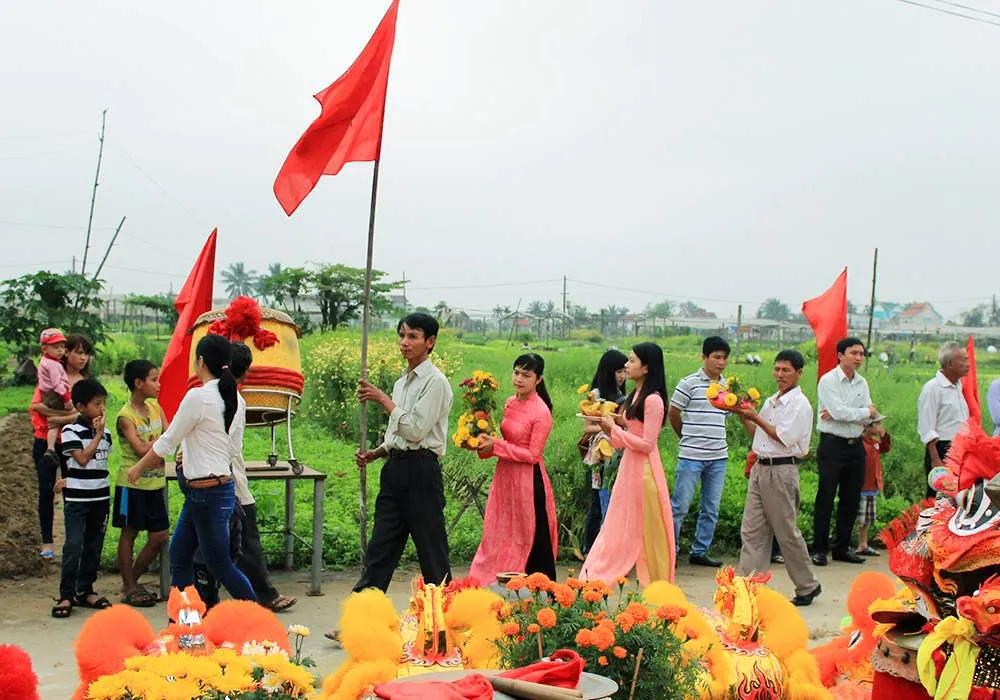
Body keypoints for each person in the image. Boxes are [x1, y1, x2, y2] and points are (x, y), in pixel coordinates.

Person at [127, 334, 256, 601]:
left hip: (207, 494)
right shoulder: (236, 398)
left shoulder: (197, 397)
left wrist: (137, 468)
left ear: (200, 362)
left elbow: (167, 441)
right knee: (180, 555)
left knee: (219, 564)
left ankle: (258, 622)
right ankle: (185, 624)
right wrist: (196, 454)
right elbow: (232, 448)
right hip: (212, 490)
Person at [352, 313, 454, 593]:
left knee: (432, 551)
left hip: (421, 472)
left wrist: (383, 399)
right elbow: (397, 436)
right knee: (380, 548)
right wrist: (377, 452)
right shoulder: (402, 383)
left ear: (430, 342)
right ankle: (362, 615)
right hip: (395, 471)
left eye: (413, 336)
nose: (404, 342)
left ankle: (444, 619)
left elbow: (415, 430)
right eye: (402, 335)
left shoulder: (436, 382)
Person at [581, 342, 675, 586]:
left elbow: (647, 444)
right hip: (630, 467)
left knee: (649, 528)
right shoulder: (634, 395)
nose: (627, 365)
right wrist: (608, 424)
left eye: (632, 361)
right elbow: (626, 433)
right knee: (617, 520)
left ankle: (658, 582)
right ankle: (600, 574)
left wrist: (614, 428)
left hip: (644, 470)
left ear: (646, 368)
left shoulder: (653, 400)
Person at [734, 350, 822, 606]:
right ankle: (748, 586)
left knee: (785, 531)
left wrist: (754, 416)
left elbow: (781, 436)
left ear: (798, 373)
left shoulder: (799, 404)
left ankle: (807, 585)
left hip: (781, 470)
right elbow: (758, 434)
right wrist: (743, 414)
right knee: (751, 530)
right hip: (761, 466)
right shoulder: (772, 401)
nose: (780, 375)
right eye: (777, 369)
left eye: (786, 370)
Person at [470, 353, 557, 585]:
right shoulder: (510, 402)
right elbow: (503, 440)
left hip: (528, 480)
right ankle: (496, 577)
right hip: (505, 475)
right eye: (516, 372)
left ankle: (539, 587)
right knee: (500, 528)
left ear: (538, 380)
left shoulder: (541, 412)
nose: (519, 379)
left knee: (530, 534)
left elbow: (532, 455)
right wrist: (481, 442)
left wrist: (496, 445)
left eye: (526, 375)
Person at [229, 343, 296, 611]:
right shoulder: (233, 400)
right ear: (245, 373)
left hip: (216, 481)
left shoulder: (215, 397)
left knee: (203, 547)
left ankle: (197, 597)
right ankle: (262, 595)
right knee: (244, 544)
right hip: (227, 484)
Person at [811, 337, 876, 566]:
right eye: (854, 353)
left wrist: (857, 413)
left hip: (855, 445)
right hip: (832, 445)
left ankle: (842, 547)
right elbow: (838, 412)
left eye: (861, 354)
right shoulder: (828, 381)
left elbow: (869, 412)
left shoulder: (862, 383)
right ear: (840, 355)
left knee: (850, 498)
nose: (858, 358)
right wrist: (862, 412)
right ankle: (819, 548)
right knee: (826, 496)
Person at [51, 378, 113, 618]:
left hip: (100, 496)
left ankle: (85, 590)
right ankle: (66, 594)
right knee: (73, 545)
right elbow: (82, 459)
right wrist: (97, 435)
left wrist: (99, 434)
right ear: (80, 406)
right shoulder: (70, 431)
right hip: (77, 500)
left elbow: (98, 464)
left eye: (103, 404)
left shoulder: (106, 434)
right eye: (97, 404)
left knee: (93, 544)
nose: (101, 409)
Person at [29, 333, 93, 560]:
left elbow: (88, 414)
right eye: (79, 352)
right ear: (66, 353)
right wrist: (66, 414)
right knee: (46, 490)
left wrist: (58, 419)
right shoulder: (52, 376)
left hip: (74, 444)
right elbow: (37, 406)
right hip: (45, 442)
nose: (83, 357)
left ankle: (73, 542)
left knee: (73, 492)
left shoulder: (86, 384)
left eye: (86, 353)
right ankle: (47, 541)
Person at [669, 336, 731, 567]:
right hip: (691, 456)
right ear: (704, 357)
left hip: (718, 457)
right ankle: (672, 551)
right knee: (680, 506)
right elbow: (673, 413)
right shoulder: (689, 383)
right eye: (716, 357)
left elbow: (727, 414)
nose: (721, 362)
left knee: (711, 508)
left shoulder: (727, 386)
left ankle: (700, 551)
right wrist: (685, 436)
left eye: (724, 358)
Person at [113, 360, 170, 607]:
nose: (158, 385)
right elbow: (139, 449)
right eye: (153, 380)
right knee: (130, 533)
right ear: (138, 383)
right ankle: (130, 586)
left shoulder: (157, 409)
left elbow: (170, 437)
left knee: (159, 535)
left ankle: (131, 583)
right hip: (131, 485)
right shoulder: (125, 417)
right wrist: (158, 448)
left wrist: (155, 448)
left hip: (155, 484)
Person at [581, 349, 628, 554]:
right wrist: (611, 427)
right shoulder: (596, 395)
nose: (622, 376)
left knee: (610, 501)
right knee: (597, 502)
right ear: (607, 372)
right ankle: (590, 548)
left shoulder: (620, 395)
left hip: (617, 454)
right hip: (601, 457)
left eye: (624, 372)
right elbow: (587, 427)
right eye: (618, 372)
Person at [917, 341, 970, 498]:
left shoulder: (958, 386)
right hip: (942, 449)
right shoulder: (933, 388)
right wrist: (936, 459)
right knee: (939, 497)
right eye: (964, 360)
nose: (968, 364)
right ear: (950, 363)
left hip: (960, 448)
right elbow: (926, 427)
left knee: (958, 496)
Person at [37, 328, 72, 469]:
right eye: (55, 347)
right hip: (55, 395)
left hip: (48, 394)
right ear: (44, 348)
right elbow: (57, 384)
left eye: (62, 347)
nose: (60, 350)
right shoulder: (52, 365)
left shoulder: (45, 361)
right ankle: (51, 447)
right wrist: (67, 398)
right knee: (71, 413)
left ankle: (50, 447)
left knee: (54, 423)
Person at [856, 421, 891, 557]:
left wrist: (884, 435)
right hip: (863, 484)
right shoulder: (860, 443)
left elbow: (886, 448)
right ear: (867, 427)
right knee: (861, 517)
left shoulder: (874, 443)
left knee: (867, 517)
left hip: (872, 485)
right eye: (876, 425)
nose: (879, 427)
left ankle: (863, 544)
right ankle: (859, 544)